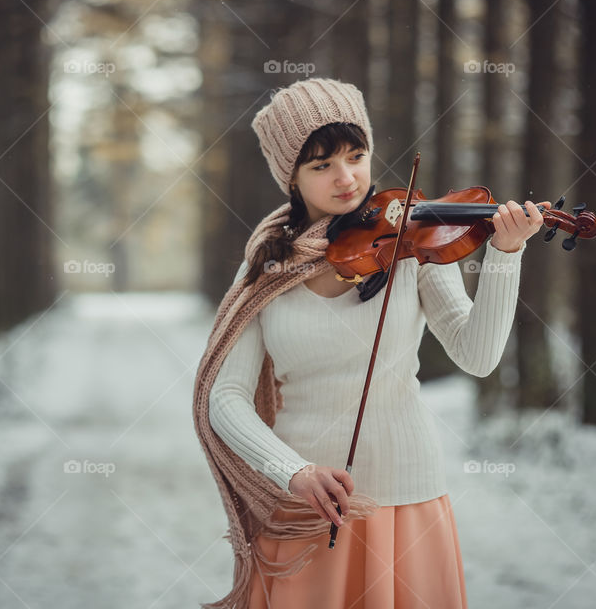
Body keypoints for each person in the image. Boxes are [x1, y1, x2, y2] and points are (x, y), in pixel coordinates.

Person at [192, 77, 550, 609]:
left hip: (407, 497)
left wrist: (506, 254)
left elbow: (478, 357)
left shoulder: (412, 239)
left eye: (356, 156)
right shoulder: (266, 264)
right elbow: (225, 399)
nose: (347, 178)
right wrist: (293, 474)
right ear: (289, 177)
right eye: (321, 166)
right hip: (305, 509)